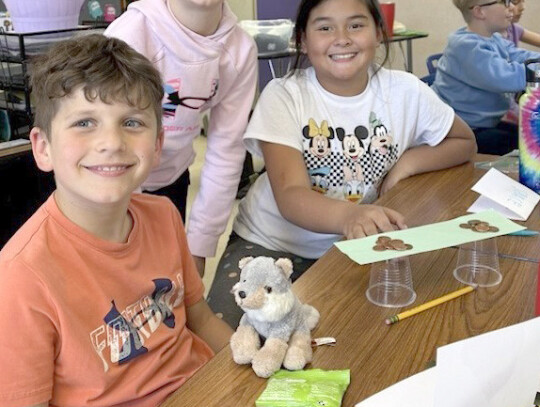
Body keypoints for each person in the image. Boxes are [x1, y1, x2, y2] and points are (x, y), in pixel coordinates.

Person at [207, 0, 477, 327]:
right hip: (269, 244)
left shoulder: (407, 91)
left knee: (364, 339)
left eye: (356, 25)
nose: (342, 37)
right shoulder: (284, 95)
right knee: (228, 345)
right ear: (303, 40)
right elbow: (291, 194)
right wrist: (351, 215)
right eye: (324, 27)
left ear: (379, 32)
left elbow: (463, 142)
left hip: (356, 248)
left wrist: (407, 162)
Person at [0, 34, 233, 407]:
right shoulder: (21, 276)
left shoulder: (164, 215)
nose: (111, 141)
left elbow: (200, 318)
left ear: (157, 145)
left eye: (131, 122)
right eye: (84, 123)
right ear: (43, 148)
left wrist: (256, 366)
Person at [105, 0, 258, 276]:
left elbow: (227, 149)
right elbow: (111, 140)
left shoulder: (240, 50)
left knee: (169, 279)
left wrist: (200, 244)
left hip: (172, 177)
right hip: (113, 180)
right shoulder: (131, 35)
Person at [432, 0, 540, 156]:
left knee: (529, 136)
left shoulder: (493, 39)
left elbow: (521, 56)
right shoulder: (465, 46)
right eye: (504, 2)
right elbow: (507, 77)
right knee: (526, 145)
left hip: (485, 124)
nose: (510, 7)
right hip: (462, 132)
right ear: (479, 12)